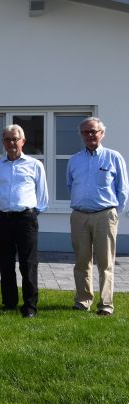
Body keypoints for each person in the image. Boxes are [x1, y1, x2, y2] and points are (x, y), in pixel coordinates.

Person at [68, 117, 128, 316]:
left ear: (102, 133)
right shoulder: (74, 160)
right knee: (81, 262)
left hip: (105, 215)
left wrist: (114, 214)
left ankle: (106, 305)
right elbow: (71, 186)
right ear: (81, 135)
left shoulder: (113, 157)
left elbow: (123, 190)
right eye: (86, 132)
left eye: (94, 131)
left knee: (105, 263)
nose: (90, 135)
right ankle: (83, 301)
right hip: (79, 216)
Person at [0, 125, 48, 318]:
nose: (11, 143)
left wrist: (30, 214)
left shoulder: (35, 165)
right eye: (7, 139)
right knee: (5, 263)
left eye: (15, 139)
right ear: (3, 142)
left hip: (26, 219)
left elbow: (42, 196)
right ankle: (9, 302)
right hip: (2, 218)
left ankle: (30, 306)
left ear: (23, 141)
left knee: (28, 263)